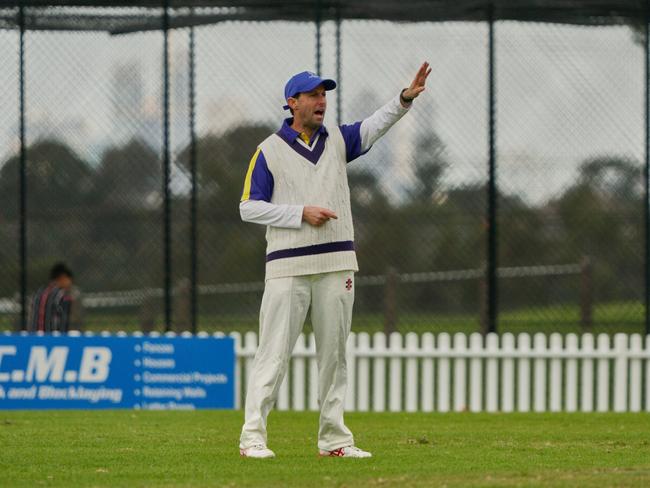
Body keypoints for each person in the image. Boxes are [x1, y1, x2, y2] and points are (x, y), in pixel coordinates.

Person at [238, 63, 431, 458]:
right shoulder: (268, 151)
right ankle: (252, 437)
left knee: (335, 357)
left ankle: (335, 441)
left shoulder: (339, 140)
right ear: (292, 103)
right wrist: (298, 213)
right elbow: (248, 208)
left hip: (337, 264)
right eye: (312, 95)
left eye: (324, 94)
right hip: (287, 267)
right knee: (273, 355)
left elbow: (377, 124)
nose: (321, 101)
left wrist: (404, 98)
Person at [27, 262, 75, 333]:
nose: (70, 284)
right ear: (63, 277)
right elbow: (64, 324)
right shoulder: (63, 296)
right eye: (69, 280)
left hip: (33, 338)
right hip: (53, 340)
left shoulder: (37, 294)